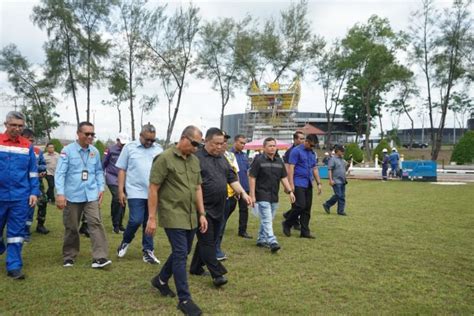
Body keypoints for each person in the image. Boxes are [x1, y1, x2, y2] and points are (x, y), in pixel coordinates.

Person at [146, 125, 208, 316]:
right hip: (172, 213)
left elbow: (197, 188)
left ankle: (161, 280)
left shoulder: (194, 161)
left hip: (190, 215)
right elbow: (153, 188)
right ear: (183, 138)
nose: (196, 148)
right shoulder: (164, 158)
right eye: (195, 143)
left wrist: (202, 213)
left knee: (183, 251)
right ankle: (184, 299)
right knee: (181, 253)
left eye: (199, 145)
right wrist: (151, 218)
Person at [190, 127, 252, 287]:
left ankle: (196, 267)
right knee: (207, 241)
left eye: (222, 144)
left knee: (207, 240)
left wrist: (244, 194)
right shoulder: (195, 158)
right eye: (216, 144)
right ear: (206, 141)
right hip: (202, 208)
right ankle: (217, 274)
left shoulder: (222, 158)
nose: (219, 147)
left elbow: (232, 178)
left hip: (220, 206)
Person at [55, 121, 111, 269]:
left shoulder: (94, 151)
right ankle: (69, 256)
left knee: (95, 223)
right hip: (72, 195)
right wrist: (60, 194)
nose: (90, 137)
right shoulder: (67, 151)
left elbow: (98, 171)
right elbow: (60, 173)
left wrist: (101, 188)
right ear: (78, 134)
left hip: (91, 194)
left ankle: (100, 257)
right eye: (87, 134)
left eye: (92, 134)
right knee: (72, 226)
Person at [0, 111, 39, 279]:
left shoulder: (26, 146)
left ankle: (14, 266)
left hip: (20, 197)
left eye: (20, 126)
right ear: (6, 124)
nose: (17, 128)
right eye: (13, 125)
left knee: (16, 234)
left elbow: (33, 172)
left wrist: (34, 192)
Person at [116, 124, 162, 264]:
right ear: (140, 136)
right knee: (135, 220)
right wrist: (120, 191)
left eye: (152, 140)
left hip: (153, 192)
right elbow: (122, 170)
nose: (149, 142)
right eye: (147, 139)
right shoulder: (129, 148)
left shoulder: (159, 149)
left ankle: (148, 251)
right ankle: (126, 241)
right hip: (135, 190)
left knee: (150, 222)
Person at [249, 137, 295, 253]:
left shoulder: (279, 162)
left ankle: (261, 239)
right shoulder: (258, 160)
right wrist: (252, 195)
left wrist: (290, 191)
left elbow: (283, 178)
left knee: (267, 219)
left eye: (274, 146)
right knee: (267, 219)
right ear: (264, 148)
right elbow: (252, 177)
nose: (272, 148)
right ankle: (272, 241)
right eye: (270, 146)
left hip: (274, 195)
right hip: (261, 194)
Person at [282, 134, 322, 239]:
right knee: (300, 205)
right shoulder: (296, 151)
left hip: (308, 183)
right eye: (312, 145)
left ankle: (305, 232)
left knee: (307, 209)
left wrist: (319, 183)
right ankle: (287, 223)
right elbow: (291, 168)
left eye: (314, 146)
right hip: (298, 182)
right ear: (307, 142)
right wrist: (291, 185)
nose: (313, 147)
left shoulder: (312, 153)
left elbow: (314, 168)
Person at [215, 133, 240, 261]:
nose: (223, 144)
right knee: (219, 223)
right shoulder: (214, 157)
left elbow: (235, 174)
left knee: (223, 223)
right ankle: (215, 249)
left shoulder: (230, 156)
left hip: (231, 196)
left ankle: (216, 247)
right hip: (219, 196)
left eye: (225, 141)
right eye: (221, 141)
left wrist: (238, 191)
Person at [21, 129, 49, 237]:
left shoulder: (38, 151)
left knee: (43, 202)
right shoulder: (18, 150)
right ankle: (24, 229)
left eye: (32, 140)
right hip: (23, 183)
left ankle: (40, 225)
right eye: (28, 140)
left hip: (37, 182)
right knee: (25, 206)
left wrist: (41, 170)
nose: (30, 142)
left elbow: (43, 165)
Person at [103, 133, 129, 234]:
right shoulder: (110, 150)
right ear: (117, 140)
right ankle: (116, 225)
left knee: (123, 201)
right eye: (121, 143)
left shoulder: (128, 150)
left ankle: (120, 224)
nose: (123, 145)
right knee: (117, 198)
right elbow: (103, 163)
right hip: (111, 177)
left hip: (124, 178)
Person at [229, 134, 252, 239]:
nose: (243, 145)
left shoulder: (244, 156)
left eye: (244, 143)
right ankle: (219, 225)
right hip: (231, 188)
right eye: (241, 143)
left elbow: (247, 172)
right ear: (235, 142)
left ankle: (242, 231)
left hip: (244, 187)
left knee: (244, 210)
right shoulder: (228, 155)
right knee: (229, 208)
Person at [282, 131, 305, 230]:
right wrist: (287, 184)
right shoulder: (290, 151)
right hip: (293, 180)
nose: (302, 140)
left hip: (301, 180)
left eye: (303, 138)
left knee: (298, 203)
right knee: (296, 203)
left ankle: (289, 215)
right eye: (300, 138)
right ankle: (294, 221)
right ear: (295, 139)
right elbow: (287, 168)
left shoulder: (303, 150)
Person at [322, 144, 349, 216]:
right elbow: (330, 170)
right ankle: (327, 204)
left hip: (343, 180)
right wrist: (330, 180)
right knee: (338, 195)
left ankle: (340, 211)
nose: (343, 153)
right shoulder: (332, 159)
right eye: (342, 151)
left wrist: (348, 166)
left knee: (342, 196)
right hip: (336, 181)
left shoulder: (342, 160)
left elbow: (345, 169)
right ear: (338, 151)